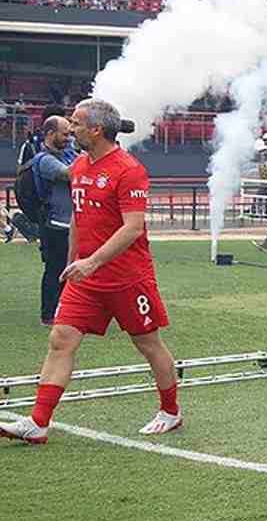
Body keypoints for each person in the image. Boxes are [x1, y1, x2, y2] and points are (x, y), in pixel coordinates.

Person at [1, 99, 183, 445]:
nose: (71, 128)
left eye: (77, 122)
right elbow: (78, 219)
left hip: (128, 278)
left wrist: (91, 262)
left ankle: (171, 411)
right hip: (86, 277)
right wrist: (73, 261)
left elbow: (132, 228)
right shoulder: (80, 166)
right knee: (60, 340)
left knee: (148, 344)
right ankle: (38, 422)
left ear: (97, 129)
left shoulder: (129, 170)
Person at [33, 115, 76, 325]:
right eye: (65, 134)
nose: (69, 138)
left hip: (69, 224)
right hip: (54, 225)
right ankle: (48, 315)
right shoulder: (44, 160)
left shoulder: (67, 154)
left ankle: (64, 311)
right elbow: (69, 174)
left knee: (68, 268)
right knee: (54, 270)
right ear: (50, 134)